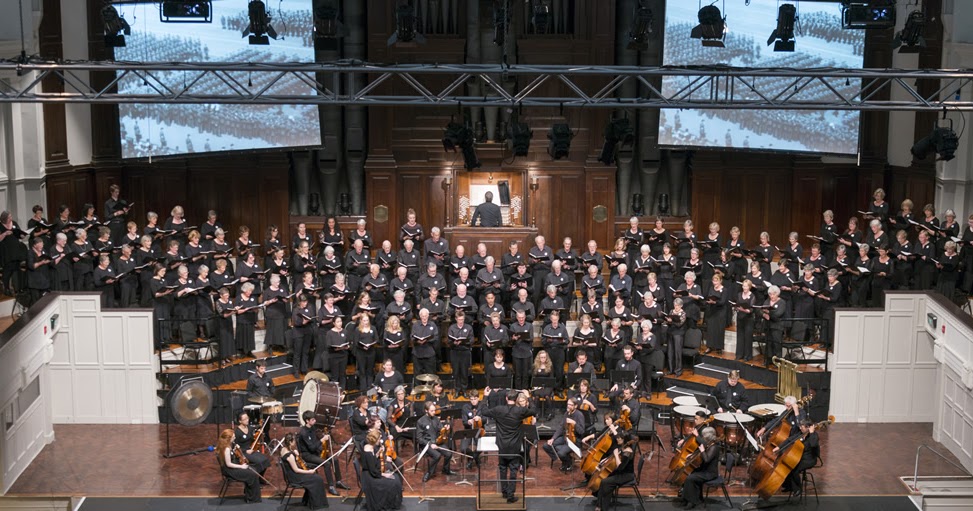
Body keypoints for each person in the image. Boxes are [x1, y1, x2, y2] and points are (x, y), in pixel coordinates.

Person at [481, 388, 537, 503]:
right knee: (513, 470)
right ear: (516, 399)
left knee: (502, 468)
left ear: (506, 398)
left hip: (502, 445)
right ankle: (510, 496)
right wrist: (529, 397)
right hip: (514, 445)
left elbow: (484, 411)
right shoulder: (520, 411)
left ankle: (504, 492)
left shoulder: (499, 409)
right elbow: (534, 410)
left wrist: (485, 396)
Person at [298, 411, 347, 495]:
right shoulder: (304, 433)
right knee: (327, 463)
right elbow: (312, 448)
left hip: (316, 452)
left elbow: (318, 437)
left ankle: (338, 481)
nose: (315, 421)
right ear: (307, 421)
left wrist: (324, 436)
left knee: (334, 459)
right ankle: (331, 486)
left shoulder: (313, 428)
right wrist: (322, 440)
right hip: (308, 455)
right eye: (313, 419)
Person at [280, 432, 330, 509]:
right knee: (318, 479)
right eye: (294, 441)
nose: (295, 443)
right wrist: (309, 471)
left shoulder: (283, 449)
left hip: (291, 474)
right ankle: (317, 504)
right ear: (290, 442)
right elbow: (296, 470)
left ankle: (307, 501)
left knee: (315, 477)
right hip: (294, 477)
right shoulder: (290, 456)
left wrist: (294, 452)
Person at [594, 430, 638, 511]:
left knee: (605, 482)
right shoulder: (623, 447)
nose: (617, 439)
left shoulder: (628, 452)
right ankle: (600, 505)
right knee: (604, 480)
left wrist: (616, 455)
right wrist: (604, 461)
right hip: (621, 473)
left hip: (626, 476)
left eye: (620, 438)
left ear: (625, 440)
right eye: (617, 438)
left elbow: (620, 467)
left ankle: (602, 507)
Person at [361, 428, 404, 511]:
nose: (380, 440)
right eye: (379, 439)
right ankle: (386, 504)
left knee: (395, 477)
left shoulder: (371, 447)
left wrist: (378, 453)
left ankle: (389, 502)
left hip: (373, 473)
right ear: (375, 440)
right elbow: (373, 471)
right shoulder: (368, 451)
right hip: (369, 478)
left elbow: (372, 462)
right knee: (393, 481)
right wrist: (385, 474)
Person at [215, 429, 261, 504]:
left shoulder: (228, 446)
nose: (235, 438)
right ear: (228, 439)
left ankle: (249, 495)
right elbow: (228, 464)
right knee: (252, 474)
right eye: (233, 437)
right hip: (230, 471)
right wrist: (241, 467)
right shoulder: (226, 449)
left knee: (253, 469)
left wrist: (236, 449)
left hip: (232, 468)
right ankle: (252, 498)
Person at [681, 427, 721, 509]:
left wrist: (702, 451)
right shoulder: (709, 444)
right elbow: (700, 451)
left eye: (704, 437)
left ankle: (691, 501)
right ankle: (693, 499)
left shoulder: (714, 447)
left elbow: (706, 460)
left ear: (708, 438)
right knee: (691, 473)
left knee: (690, 478)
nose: (703, 438)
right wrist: (691, 456)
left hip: (710, 473)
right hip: (705, 470)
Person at [543, 399, 584, 472]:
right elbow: (561, 427)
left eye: (571, 405)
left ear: (576, 406)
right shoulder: (566, 413)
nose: (568, 406)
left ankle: (567, 461)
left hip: (574, 440)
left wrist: (574, 424)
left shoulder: (579, 415)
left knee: (561, 452)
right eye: (568, 404)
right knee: (546, 446)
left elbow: (581, 431)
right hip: (565, 437)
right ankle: (565, 461)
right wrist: (553, 438)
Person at [782, 419, 820, 497]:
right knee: (787, 465)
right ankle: (790, 486)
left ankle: (798, 488)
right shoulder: (801, 434)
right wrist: (779, 447)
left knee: (794, 468)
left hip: (809, 460)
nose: (800, 428)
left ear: (808, 427)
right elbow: (789, 440)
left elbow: (813, 444)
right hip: (801, 458)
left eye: (801, 427)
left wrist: (812, 432)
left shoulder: (814, 435)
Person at [416, 401, 452, 482]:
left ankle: (445, 470)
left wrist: (445, 428)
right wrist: (430, 444)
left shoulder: (436, 419)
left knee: (449, 453)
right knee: (437, 455)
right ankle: (429, 473)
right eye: (431, 411)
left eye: (434, 410)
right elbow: (419, 438)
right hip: (426, 444)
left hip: (436, 442)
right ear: (426, 410)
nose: (434, 412)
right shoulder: (420, 421)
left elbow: (441, 429)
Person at [233, 411, 270, 477]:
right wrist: (245, 451)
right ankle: (254, 477)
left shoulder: (249, 428)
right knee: (259, 461)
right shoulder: (237, 432)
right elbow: (235, 447)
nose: (247, 420)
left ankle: (260, 478)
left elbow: (253, 438)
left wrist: (259, 433)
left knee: (265, 460)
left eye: (247, 418)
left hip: (251, 450)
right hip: (243, 453)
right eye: (244, 419)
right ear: (240, 421)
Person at [460, 390, 485, 469]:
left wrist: (480, 418)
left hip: (479, 430)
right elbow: (464, 422)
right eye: (471, 399)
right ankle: (474, 458)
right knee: (463, 448)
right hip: (468, 430)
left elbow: (486, 419)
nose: (473, 401)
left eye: (475, 399)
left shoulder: (483, 406)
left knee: (482, 446)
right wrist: (468, 422)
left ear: (478, 398)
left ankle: (471, 459)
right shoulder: (465, 407)